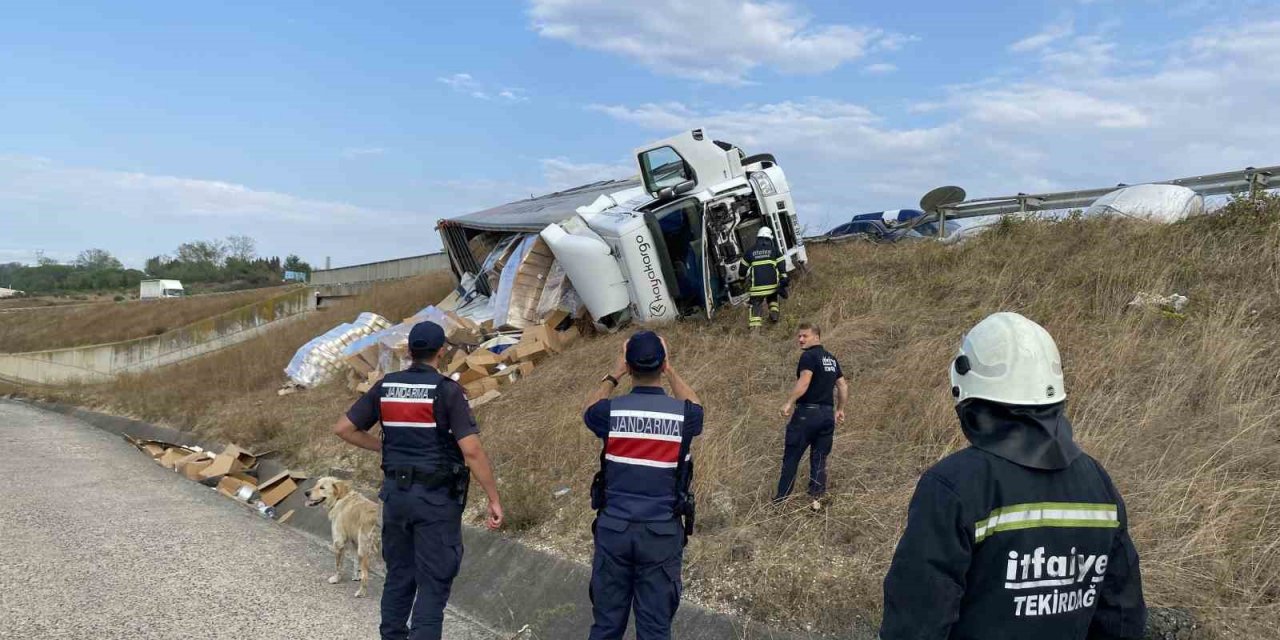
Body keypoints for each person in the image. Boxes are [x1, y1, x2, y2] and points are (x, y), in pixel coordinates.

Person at [880, 312, 1146, 639]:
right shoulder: (1097, 483)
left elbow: (916, 622)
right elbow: (1123, 616)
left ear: (967, 391)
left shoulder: (953, 486)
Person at [333, 320, 504, 640]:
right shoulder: (447, 390)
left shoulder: (386, 387)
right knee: (433, 582)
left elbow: (344, 428)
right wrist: (493, 498)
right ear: (442, 351)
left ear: (410, 351)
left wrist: (384, 447)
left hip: (395, 499)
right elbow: (472, 451)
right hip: (435, 501)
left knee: (399, 576)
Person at [582, 331, 703, 640]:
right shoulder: (685, 416)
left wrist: (614, 374)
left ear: (629, 366)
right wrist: (670, 369)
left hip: (614, 531)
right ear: (662, 365)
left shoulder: (610, 413)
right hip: (660, 534)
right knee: (654, 630)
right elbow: (696, 404)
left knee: (606, 627)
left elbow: (589, 409)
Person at [774, 323, 847, 508]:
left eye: (804, 336)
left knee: (791, 457)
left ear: (816, 337)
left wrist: (789, 402)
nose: (800, 339)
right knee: (819, 459)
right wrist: (840, 409)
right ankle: (816, 501)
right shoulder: (831, 359)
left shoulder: (808, 356)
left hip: (807, 414)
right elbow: (842, 385)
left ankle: (780, 501)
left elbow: (805, 381)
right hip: (827, 416)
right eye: (799, 336)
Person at [740, 226, 788, 329]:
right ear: (769, 239)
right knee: (773, 298)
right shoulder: (775, 251)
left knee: (756, 304)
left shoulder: (750, 251)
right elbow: (782, 267)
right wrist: (784, 278)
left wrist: (741, 279)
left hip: (757, 289)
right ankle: (774, 315)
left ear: (758, 238)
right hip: (772, 286)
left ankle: (755, 329)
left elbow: (742, 270)